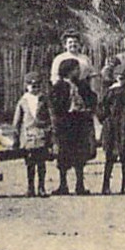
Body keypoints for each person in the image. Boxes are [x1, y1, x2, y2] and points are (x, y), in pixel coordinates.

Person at [50, 58, 97, 195]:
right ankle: (63, 184)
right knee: (64, 154)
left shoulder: (82, 85)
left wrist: (88, 107)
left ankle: (79, 184)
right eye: (76, 69)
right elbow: (55, 105)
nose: (79, 71)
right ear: (68, 71)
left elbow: (92, 98)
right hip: (65, 123)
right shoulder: (59, 87)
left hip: (80, 122)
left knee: (80, 154)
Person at [98, 64, 125, 194]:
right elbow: (101, 111)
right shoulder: (110, 93)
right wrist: (106, 122)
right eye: (120, 78)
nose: (123, 81)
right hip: (112, 129)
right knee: (110, 159)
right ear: (115, 78)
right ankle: (105, 186)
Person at [12, 72, 52, 198]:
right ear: (26, 86)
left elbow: (50, 116)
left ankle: (41, 187)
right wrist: (16, 138)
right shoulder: (23, 101)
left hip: (41, 135)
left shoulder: (44, 99)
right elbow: (17, 121)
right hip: (28, 137)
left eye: (37, 85)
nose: (35, 88)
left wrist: (50, 131)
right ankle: (30, 188)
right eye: (32, 85)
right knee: (30, 163)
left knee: (41, 163)